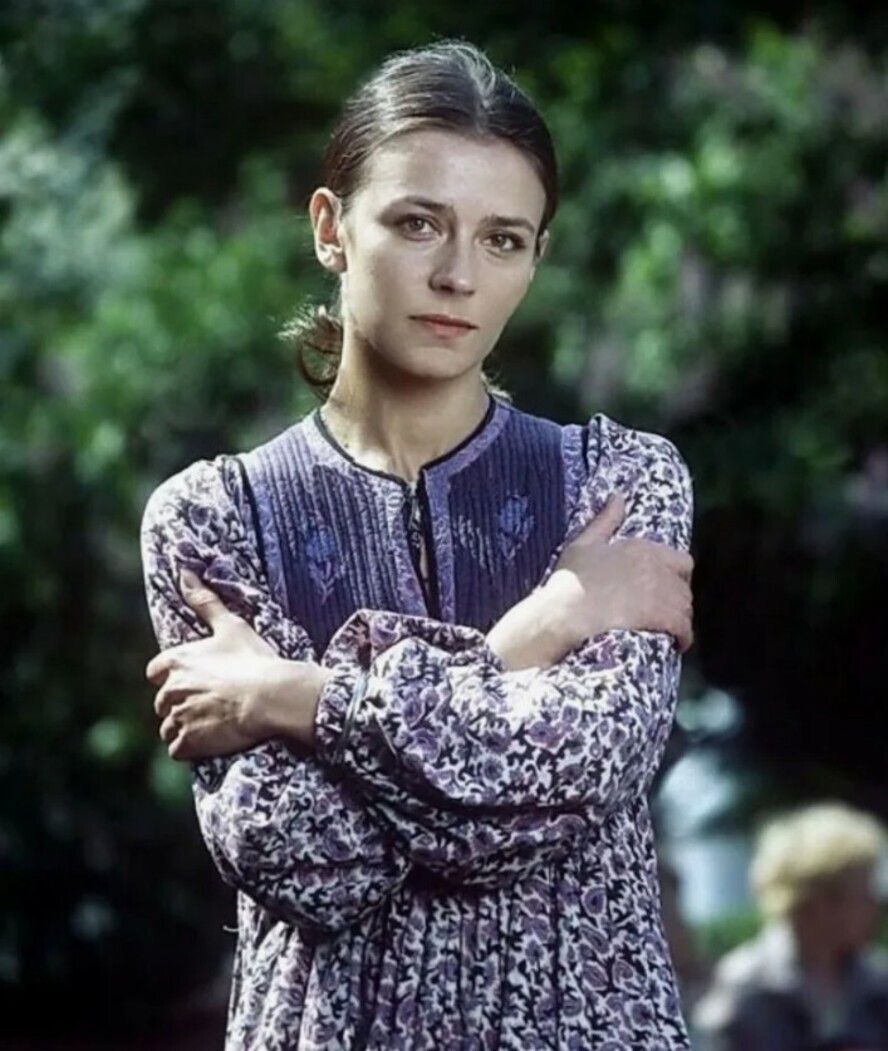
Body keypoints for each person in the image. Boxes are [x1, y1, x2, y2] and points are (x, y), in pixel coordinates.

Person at [140, 40, 696, 1049]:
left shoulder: (619, 483)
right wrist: (534, 635)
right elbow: (301, 856)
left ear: (536, 258)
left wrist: (298, 696)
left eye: (503, 240)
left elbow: (574, 772)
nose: (457, 275)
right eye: (416, 223)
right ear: (330, 228)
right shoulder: (213, 517)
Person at [693, 802, 888, 1051]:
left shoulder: (877, 982)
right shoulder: (746, 988)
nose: (876, 904)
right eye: (863, 892)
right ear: (817, 900)